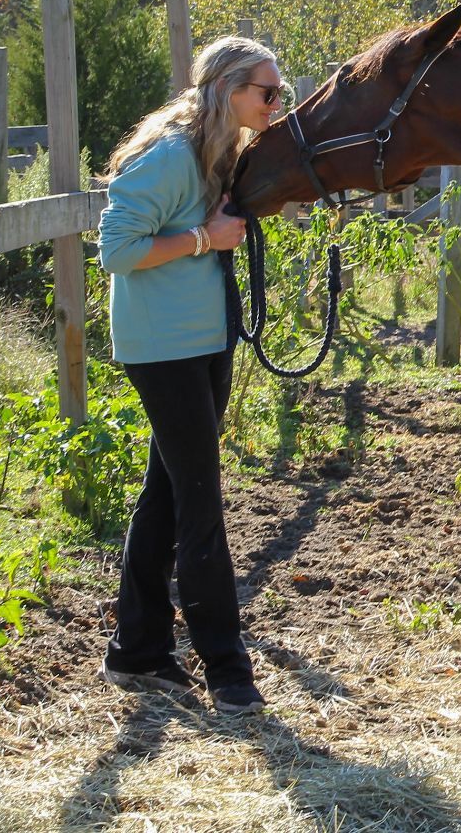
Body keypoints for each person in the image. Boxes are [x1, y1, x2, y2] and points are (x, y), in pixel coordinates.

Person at [97, 35, 284, 713]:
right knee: (200, 504)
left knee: (168, 496)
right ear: (228, 89)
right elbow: (116, 251)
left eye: (279, 92)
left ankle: (136, 650)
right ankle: (228, 670)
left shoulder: (217, 150)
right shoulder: (173, 156)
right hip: (164, 348)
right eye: (266, 92)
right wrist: (206, 239)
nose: (275, 102)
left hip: (205, 339)